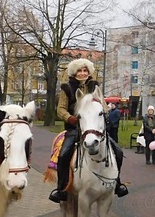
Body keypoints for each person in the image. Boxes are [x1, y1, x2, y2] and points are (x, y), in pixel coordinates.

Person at [49, 58, 128, 203]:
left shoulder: (95, 86)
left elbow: (104, 106)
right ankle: (62, 189)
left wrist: (101, 111)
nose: (83, 73)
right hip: (75, 129)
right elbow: (60, 109)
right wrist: (71, 118)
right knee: (64, 154)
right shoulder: (66, 88)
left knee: (118, 151)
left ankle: (117, 183)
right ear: (74, 72)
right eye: (79, 70)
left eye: (85, 70)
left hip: (94, 130)